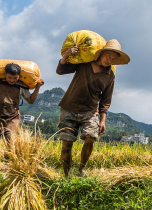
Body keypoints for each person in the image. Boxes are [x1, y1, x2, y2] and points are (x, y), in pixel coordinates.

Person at [55, 39, 130, 176]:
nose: (110, 60)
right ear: (101, 53)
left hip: (89, 112)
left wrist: (102, 121)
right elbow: (61, 70)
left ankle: (81, 169)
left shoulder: (109, 76)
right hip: (69, 108)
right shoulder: (83, 64)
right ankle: (66, 175)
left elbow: (106, 101)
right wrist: (66, 55)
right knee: (67, 144)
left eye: (113, 59)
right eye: (108, 56)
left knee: (90, 137)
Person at [0, 62, 42, 140]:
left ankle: (10, 153)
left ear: (19, 76)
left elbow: (31, 100)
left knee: (11, 138)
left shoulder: (21, 86)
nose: (12, 80)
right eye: (9, 77)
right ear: (5, 74)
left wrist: (38, 87)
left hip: (12, 117)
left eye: (15, 78)